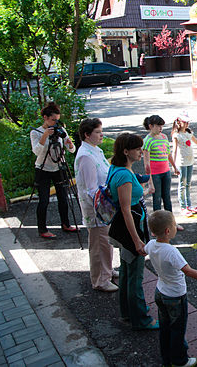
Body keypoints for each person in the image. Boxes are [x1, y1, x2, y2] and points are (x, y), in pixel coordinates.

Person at [107, 133, 158, 330]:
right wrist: (137, 241)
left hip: (123, 230)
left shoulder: (118, 169)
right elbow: (126, 210)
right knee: (135, 277)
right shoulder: (124, 175)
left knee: (127, 273)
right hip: (130, 231)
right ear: (126, 151)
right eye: (137, 149)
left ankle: (127, 313)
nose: (141, 152)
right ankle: (141, 320)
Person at [145, 211, 197, 367]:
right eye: (174, 225)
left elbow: (143, 250)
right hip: (175, 296)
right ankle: (180, 361)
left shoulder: (152, 244)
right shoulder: (172, 252)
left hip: (160, 292)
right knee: (178, 329)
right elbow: (188, 270)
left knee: (165, 327)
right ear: (168, 231)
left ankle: (166, 357)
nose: (175, 227)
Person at [75, 118, 117, 291]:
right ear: (86, 135)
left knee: (106, 241)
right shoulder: (85, 155)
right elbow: (91, 189)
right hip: (97, 208)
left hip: (104, 204)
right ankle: (100, 279)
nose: (102, 135)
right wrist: (104, 207)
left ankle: (108, 270)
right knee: (99, 243)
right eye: (98, 132)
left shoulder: (95, 150)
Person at [30, 102, 77, 239]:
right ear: (45, 117)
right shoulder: (36, 132)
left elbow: (72, 150)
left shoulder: (61, 130)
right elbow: (36, 152)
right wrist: (45, 136)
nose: (55, 123)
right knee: (44, 200)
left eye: (57, 120)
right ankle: (43, 229)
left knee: (63, 197)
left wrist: (70, 145)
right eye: (53, 120)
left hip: (59, 167)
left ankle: (66, 224)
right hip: (43, 168)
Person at [143, 115, 179, 225]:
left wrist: (174, 166)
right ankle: (156, 225)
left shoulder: (163, 137)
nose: (160, 128)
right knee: (157, 199)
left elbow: (168, 154)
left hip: (166, 172)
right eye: (158, 126)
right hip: (155, 174)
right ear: (150, 126)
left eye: (161, 126)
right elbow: (146, 162)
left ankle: (171, 223)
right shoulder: (147, 140)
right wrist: (149, 181)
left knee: (167, 198)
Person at [171, 111, 197, 217]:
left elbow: (196, 141)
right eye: (185, 122)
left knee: (188, 184)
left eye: (188, 122)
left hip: (190, 161)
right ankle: (183, 207)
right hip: (181, 162)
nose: (187, 124)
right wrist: (174, 165)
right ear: (179, 122)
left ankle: (189, 205)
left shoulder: (188, 133)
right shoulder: (176, 135)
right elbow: (174, 150)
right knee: (182, 184)